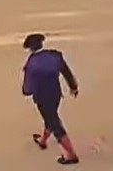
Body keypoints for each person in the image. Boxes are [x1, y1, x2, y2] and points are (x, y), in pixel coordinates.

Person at [21, 33, 80, 165]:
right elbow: (67, 72)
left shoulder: (31, 64)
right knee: (51, 116)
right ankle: (43, 140)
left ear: (30, 48)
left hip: (42, 98)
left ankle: (71, 155)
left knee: (54, 122)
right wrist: (73, 87)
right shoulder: (55, 55)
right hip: (56, 94)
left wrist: (27, 90)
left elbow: (27, 90)